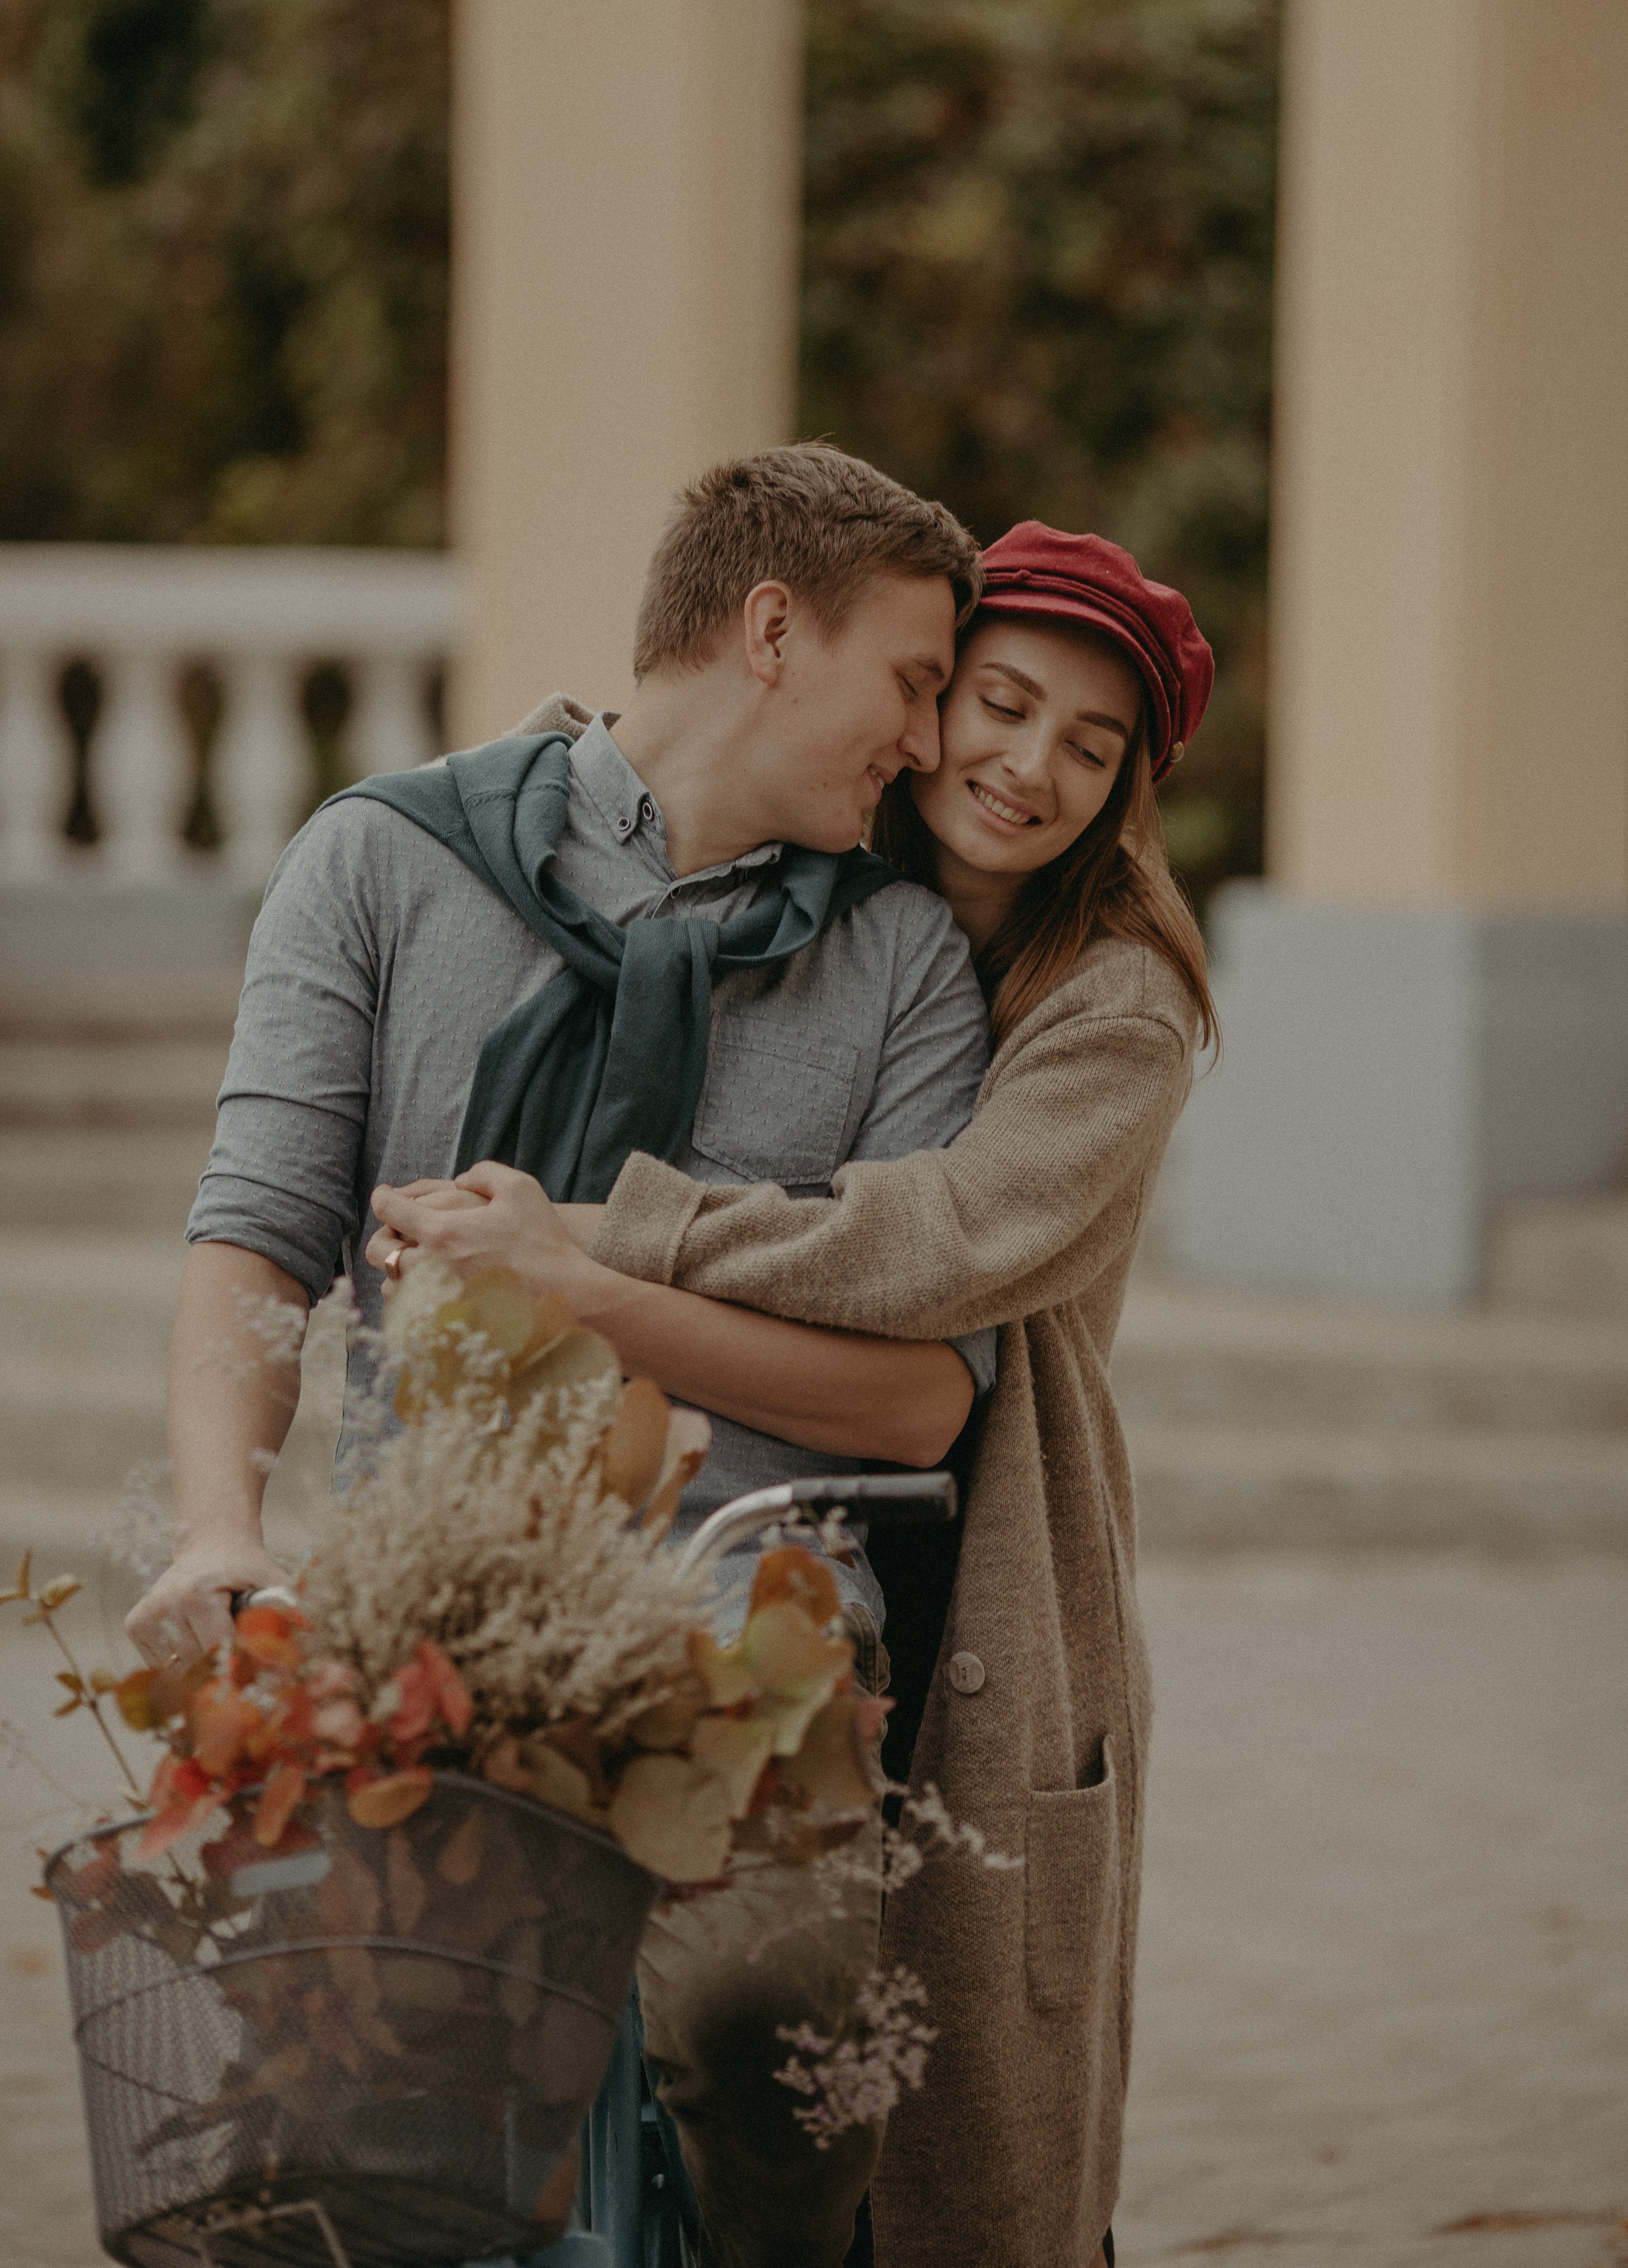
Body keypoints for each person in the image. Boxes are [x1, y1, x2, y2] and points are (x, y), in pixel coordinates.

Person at [127, 442, 1001, 2268]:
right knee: (334, 2152)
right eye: (913, 679)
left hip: (750, 1644)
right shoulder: (380, 860)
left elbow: (926, 1394)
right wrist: (221, 1530)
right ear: (772, 629)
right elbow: (262, 1244)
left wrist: (594, 1283)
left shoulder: (905, 959)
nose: (925, 745)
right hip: (424, 1637)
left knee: (779, 2032)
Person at [367, 522, 1217, 2268]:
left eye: (1091, 746)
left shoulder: (1115, 996)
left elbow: (946, 1243)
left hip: (977, 1558)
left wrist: (620, 1240)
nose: (1024, 765)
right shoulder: (817, 884)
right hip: (759, 1528)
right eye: (996, 703)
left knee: (941, 2134)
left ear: (1133, 787)